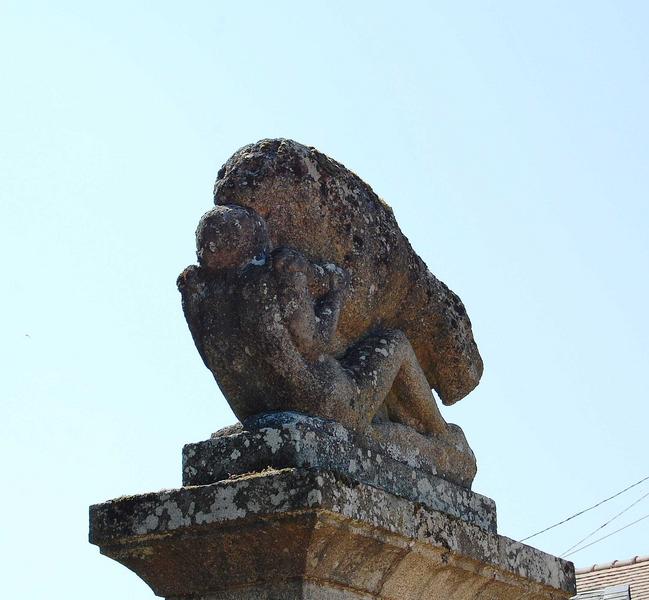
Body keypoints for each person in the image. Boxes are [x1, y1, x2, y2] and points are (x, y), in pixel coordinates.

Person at [178, 204, 449, 437]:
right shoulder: (274, 272)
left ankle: (402, 427)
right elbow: (314, 340)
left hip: (255, 413)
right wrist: (336, 292)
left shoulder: (197, 295)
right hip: (328, 405)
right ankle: (441, 435)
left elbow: (211, 362)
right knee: (396, 343)